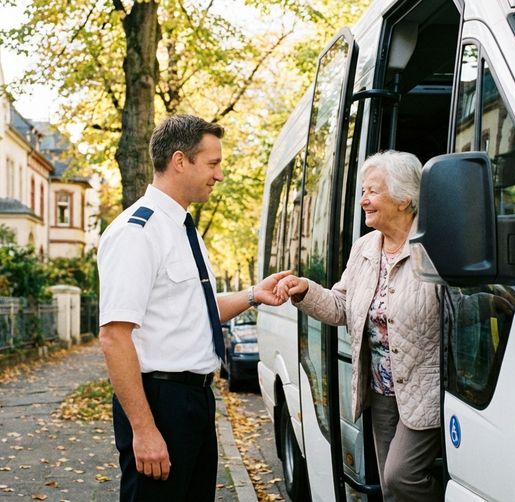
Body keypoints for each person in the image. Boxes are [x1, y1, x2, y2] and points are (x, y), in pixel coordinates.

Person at [97, 114, 290, 501]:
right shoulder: (138, 232)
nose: (219, 175)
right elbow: (114, 336)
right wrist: (145, 429)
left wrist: (254, 294)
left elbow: (196, 311)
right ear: (180, 161)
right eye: (213, 164)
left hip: (195, 402)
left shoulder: (183, 228)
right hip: (161, 402)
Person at [275, 150, 444, 500]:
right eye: (362, 192)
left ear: (405, 198)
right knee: (388, 485)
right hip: (380, 391)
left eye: (372, 192)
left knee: (401, 477)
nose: (363, 201)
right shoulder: (364, 248)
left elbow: (462, 308)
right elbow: (342, 308)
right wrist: (306, 290)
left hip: (425, 389)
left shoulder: (436, 246)